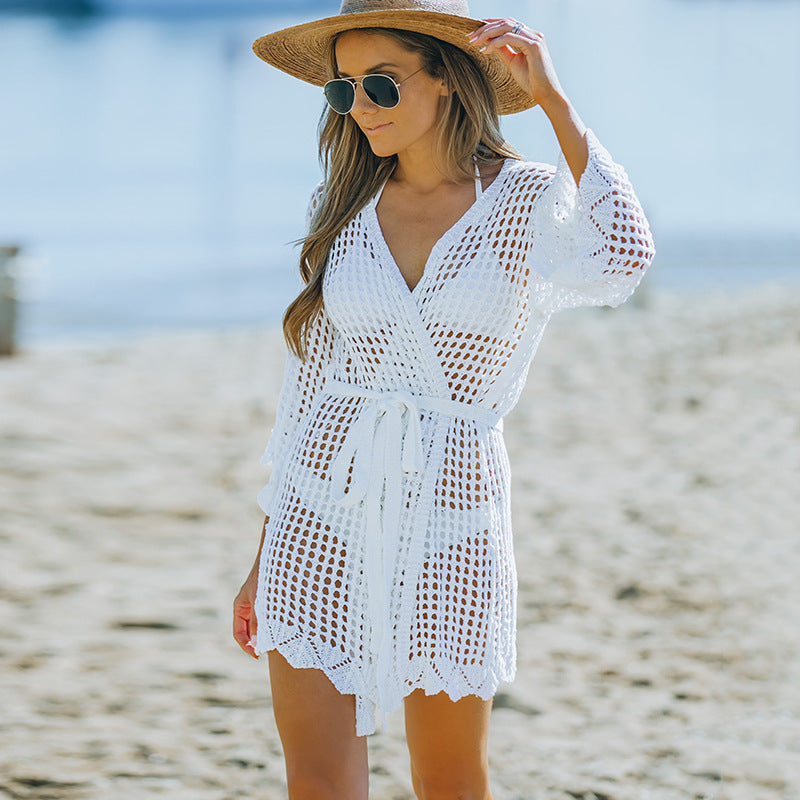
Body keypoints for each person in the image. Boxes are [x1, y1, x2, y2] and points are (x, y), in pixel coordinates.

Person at [233, 2, 655, 798]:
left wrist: (557, 104)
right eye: (342, 90)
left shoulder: (524, 202)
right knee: (318, 781)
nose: (359, 107)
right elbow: (308, 396)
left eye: (381, 86)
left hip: (452, 526)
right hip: (318, 520)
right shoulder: (346, 210)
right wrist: (264, 558)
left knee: (451, 780)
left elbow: (623, 255)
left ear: (450, 83)